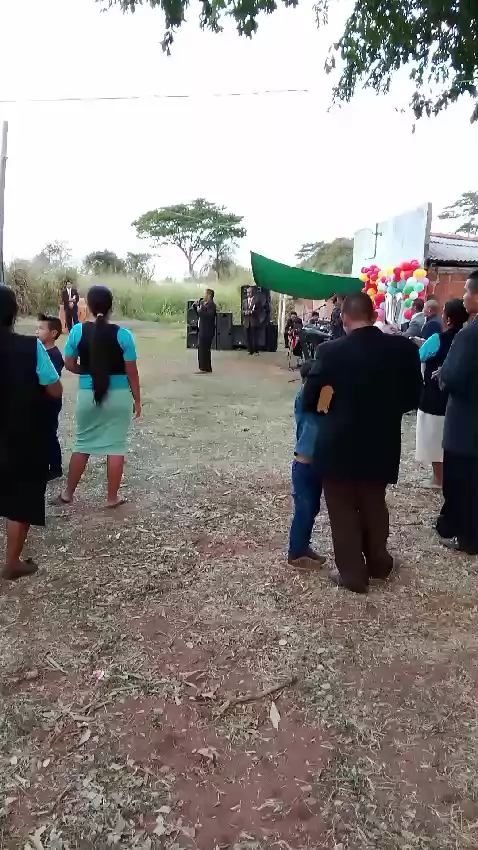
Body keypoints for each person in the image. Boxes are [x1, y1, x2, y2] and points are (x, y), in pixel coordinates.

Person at [302, 292, 422, 593]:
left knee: (342, 509)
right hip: (382, 441)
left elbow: (309, 398)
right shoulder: (403, 349)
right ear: (374, 315)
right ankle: (379, 564)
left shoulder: (331, 351)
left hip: (338, 443)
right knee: (374, 503)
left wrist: (329, 407)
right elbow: (413, 397)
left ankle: (352, 574)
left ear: (344, 318)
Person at [53, 285, 141, 508]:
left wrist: (88, 372)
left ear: (89, 306)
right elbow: (132, 372)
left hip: (88, 395)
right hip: (119, 397)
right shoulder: (124, 335)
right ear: (111, 306)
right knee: (116, 447)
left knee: (82, 444)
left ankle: (67, 494)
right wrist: (138, 400)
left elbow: (69, 363)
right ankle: (112, 498)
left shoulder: (77, 331)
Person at [0, 285, 62, 580]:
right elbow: (54, 389)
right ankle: (12, 562)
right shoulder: (31, 347)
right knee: (22, 497)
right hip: (22, 435)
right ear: (13, 313)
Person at [435, 271, 478, 555]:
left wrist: (442, 374)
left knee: (463, 483)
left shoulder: (469, 335)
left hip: (466, 425)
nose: (463, 297)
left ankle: (467, 537)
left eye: (467, 291)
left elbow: (452, 376)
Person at [415, 299, 468, 489]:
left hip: (434, 398)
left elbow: (421, 355)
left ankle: (438, 478)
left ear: (448, 318)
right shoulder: (466, 338)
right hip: (457, 399)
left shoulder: (438, 338)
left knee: (433, 437)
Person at [288, 361, 325, 571]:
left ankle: (303, 546)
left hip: (315, 464)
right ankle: (296, 554)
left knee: (312, 508)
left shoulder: (316, 399)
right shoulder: (305, 397)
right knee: (304, 509)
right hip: (304, 465)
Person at [36, 313, 65, 480]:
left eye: (41, 328)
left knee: (49, 433)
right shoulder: (41, 352)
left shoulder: (53, 355)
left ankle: (55, 467)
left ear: (53, 333)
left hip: (50, 401)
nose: (37, 331)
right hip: (40, 400)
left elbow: (51, 380)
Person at [194, 289, 217, 373]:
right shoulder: (204, 304)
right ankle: (203, 367)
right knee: (201, 348)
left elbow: (208, 316)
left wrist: (201, 308)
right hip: (202, 329)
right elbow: (199, 314)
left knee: (205, 349)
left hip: (207, 330)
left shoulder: (212, 305)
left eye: (205, 294)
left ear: (209, 295)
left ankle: (206, 367)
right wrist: (196, 306)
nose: (203, 296)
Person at [242, 286, 263, 355]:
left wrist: (252, 312)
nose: (248, 294)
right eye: (247, 292)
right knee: (248, 337)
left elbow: (260, 311)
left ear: (253, 293)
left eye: (249, 292)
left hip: (254, 321)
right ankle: (250, 350)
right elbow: (242, 310)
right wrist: (245, 312)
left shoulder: (257, 301)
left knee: (255, 337)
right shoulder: (244, 301)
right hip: (247, 322)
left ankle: (256, 351)